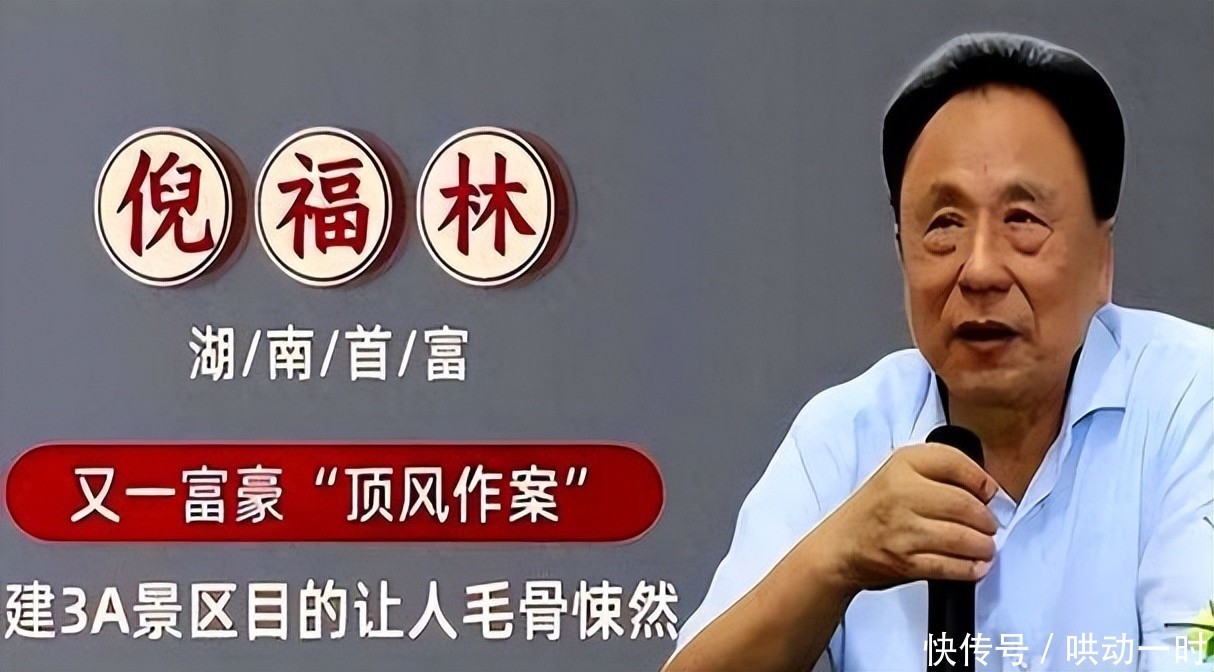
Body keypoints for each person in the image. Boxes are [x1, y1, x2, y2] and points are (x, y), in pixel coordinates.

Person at [663, 32, 1213, 672]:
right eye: (944, 224)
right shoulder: (843, 436)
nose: (979, 270)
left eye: (1022, 220)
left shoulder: (1191, 402)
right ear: (901, 251)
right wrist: (835, 559)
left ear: (1103, 257)